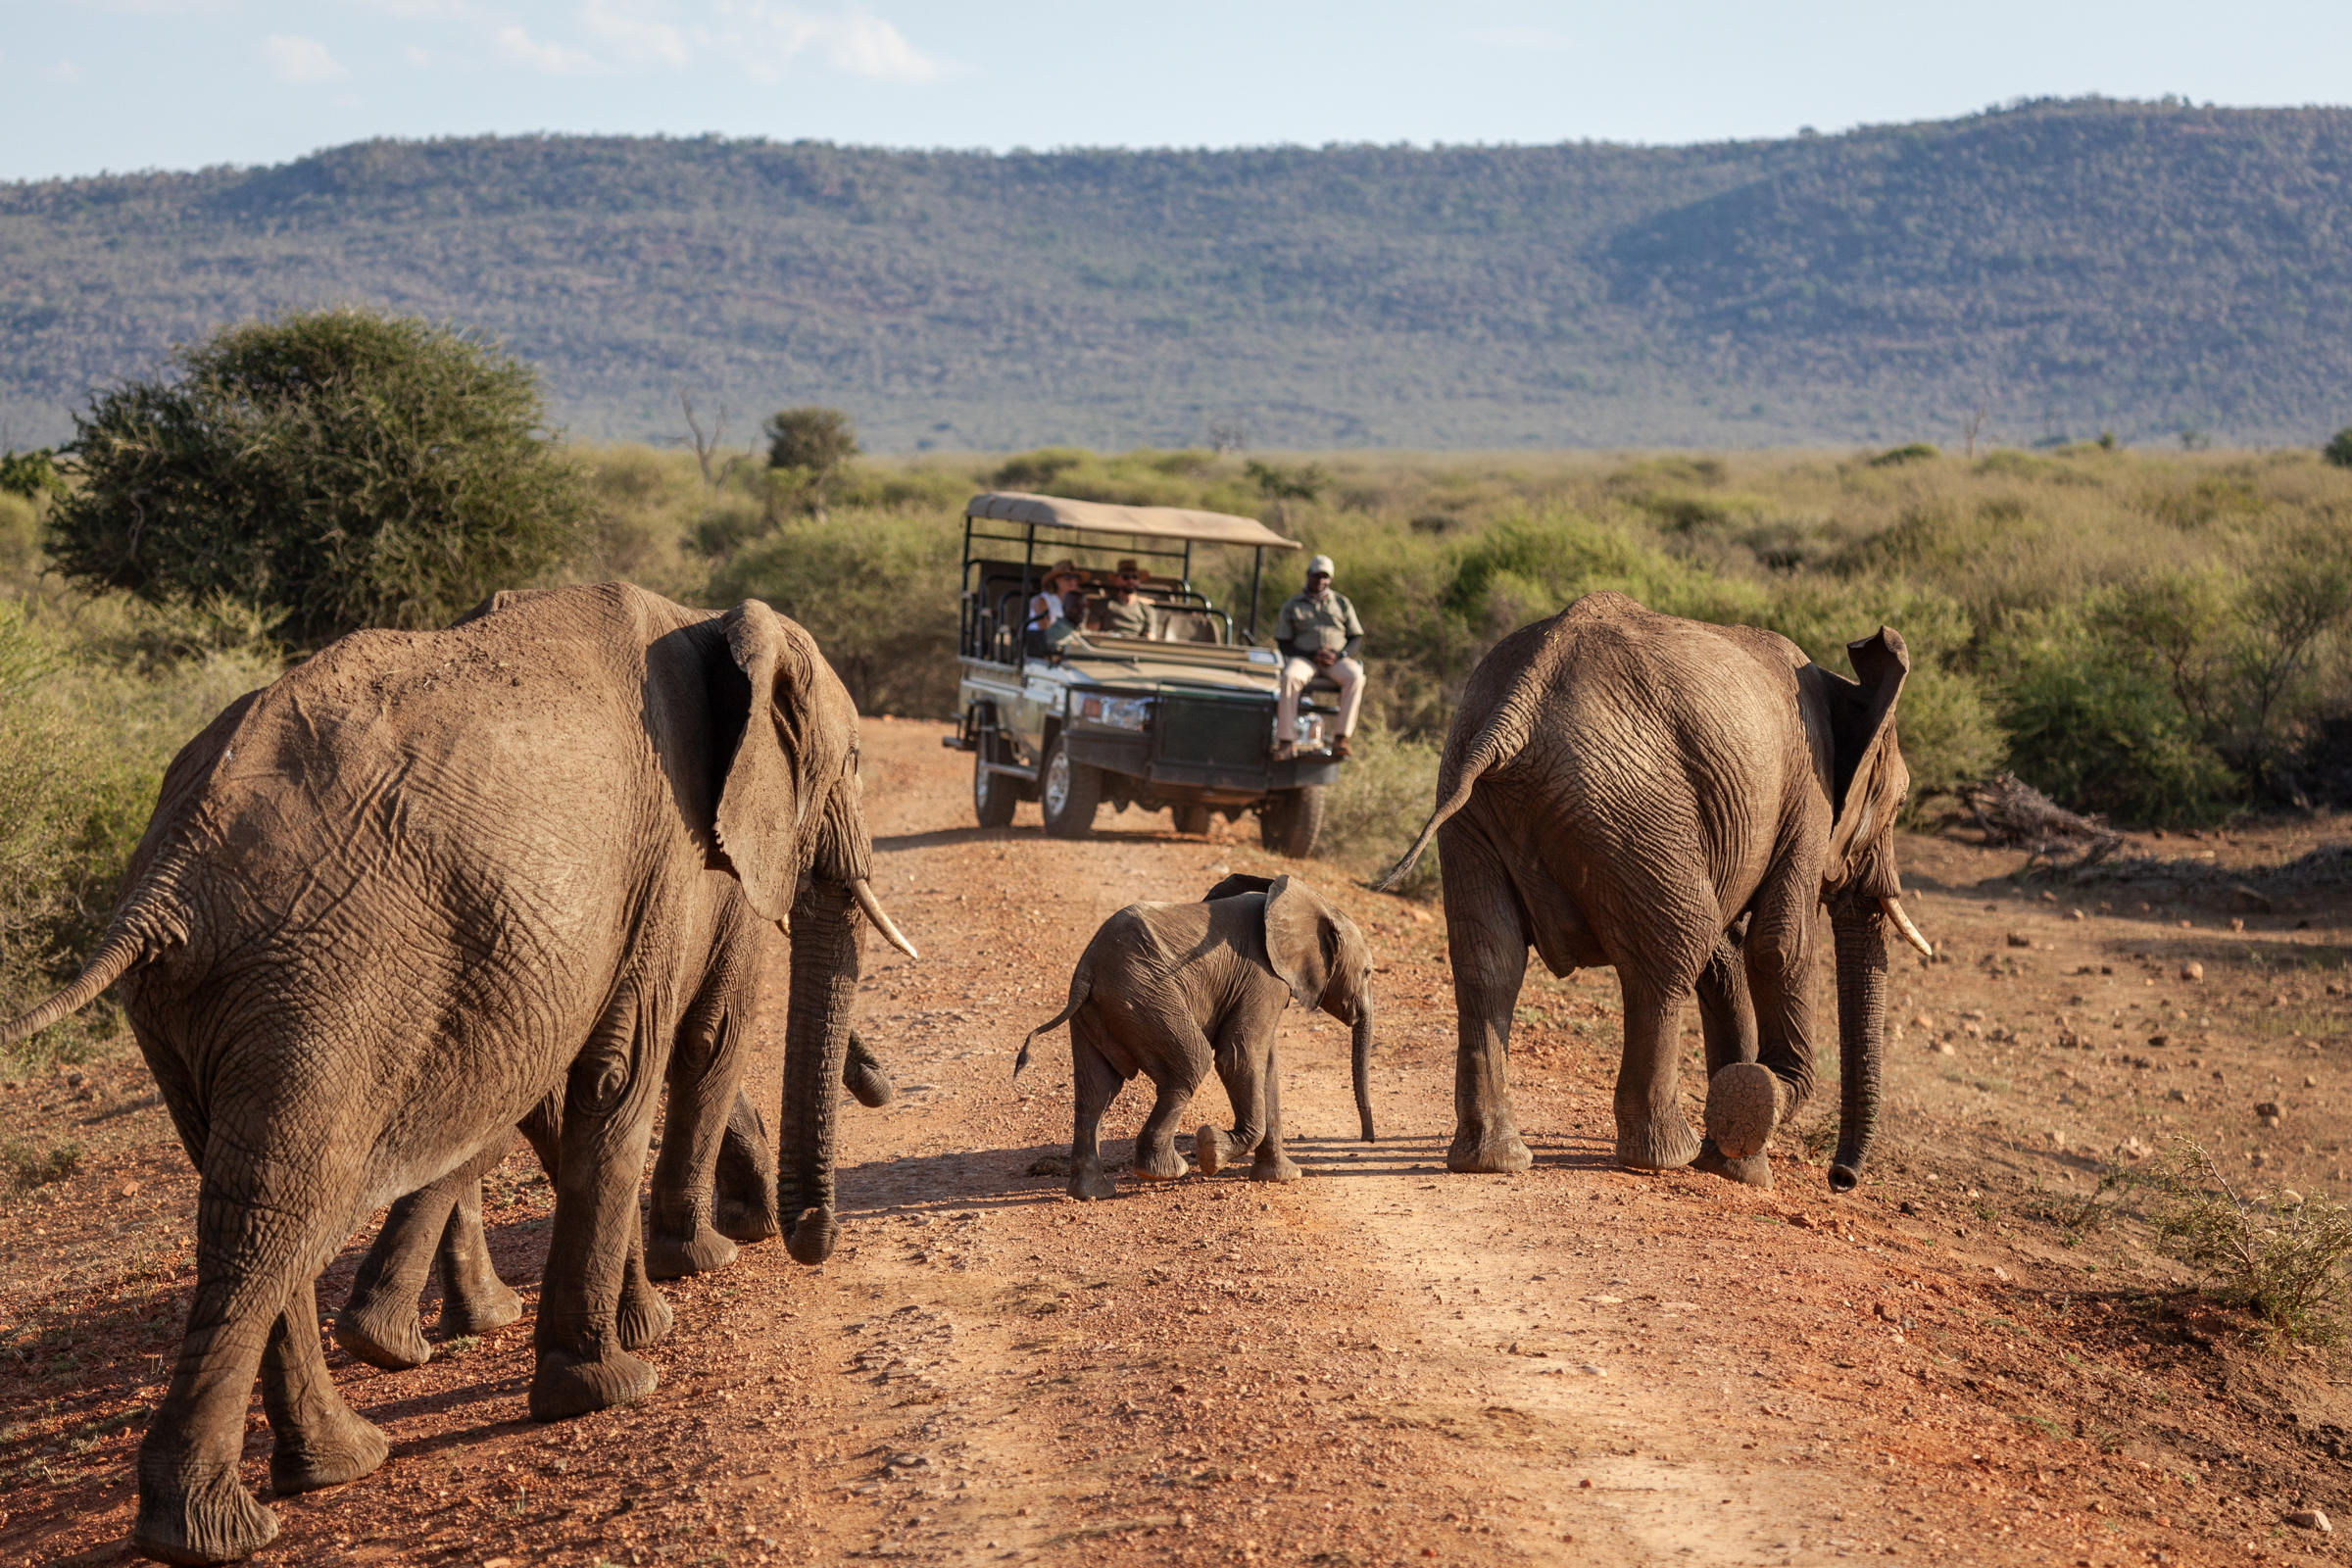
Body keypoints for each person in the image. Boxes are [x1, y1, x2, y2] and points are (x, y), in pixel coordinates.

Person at [1271, 553, 1364, 760]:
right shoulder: (1293, 605)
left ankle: (1341, 738)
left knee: (1355, 676)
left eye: (1325, 577)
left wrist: (1340, 654)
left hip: (1335, 660)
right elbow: (1283, 643)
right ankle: (1286, 741)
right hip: (1304, 658)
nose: (1320, 581)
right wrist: (1310, 655)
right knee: (1289, 677)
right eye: (1316, 576)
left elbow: (1355, 636)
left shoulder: (1341, 603)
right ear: (1308, 575)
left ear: (1330, 579)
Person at [1026, 562, 1085, 658]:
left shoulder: (1078, 602)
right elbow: (1045, 635)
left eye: (1076, 577)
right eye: (1067, 578)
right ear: (1056, 580)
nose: (1073, 582)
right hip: (1041, 650)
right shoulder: (1042, 600)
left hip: (1068, 648)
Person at [1093, 559, 1152, 638]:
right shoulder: (1103, 604)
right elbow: (1092, 634)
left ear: (1139, 581)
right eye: (1126, 577)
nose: (1131, 581)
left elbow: (1150, 638)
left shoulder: (1146, 609)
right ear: (1117, 580)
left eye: (1135, 577)